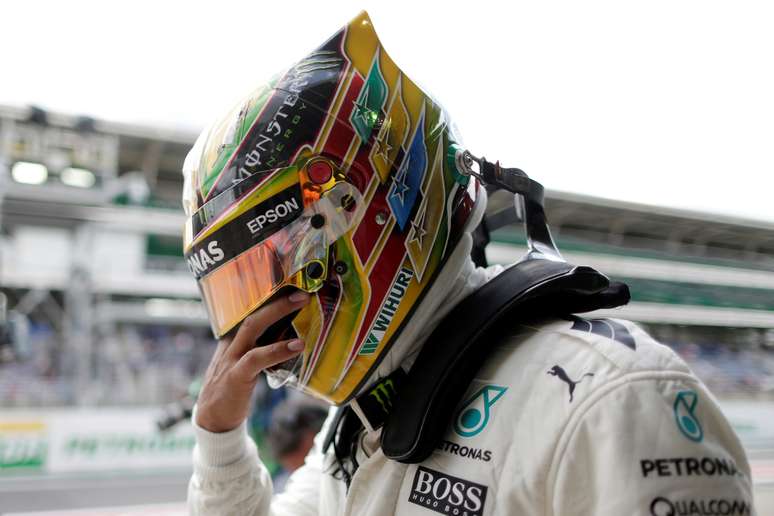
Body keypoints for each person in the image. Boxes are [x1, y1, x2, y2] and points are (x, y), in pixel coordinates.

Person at [183, 11, 755, 516]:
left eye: (274, 272)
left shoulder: (614, 398)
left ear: (369, 215)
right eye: (238, 288)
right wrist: (220, 439)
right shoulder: (355, 424)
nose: (259, 320)